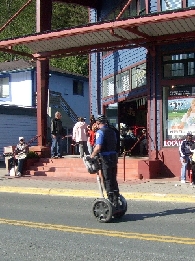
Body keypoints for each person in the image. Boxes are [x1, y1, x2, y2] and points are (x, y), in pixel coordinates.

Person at [91, 114, 119, 205]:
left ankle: (110, 198)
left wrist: (92, 156)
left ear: (98, 123)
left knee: (107, 178)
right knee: (113, 178)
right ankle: (116, 196)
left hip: (105, 158)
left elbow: (98, 147)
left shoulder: (100, 132)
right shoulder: (112, 131)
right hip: (114, 156)